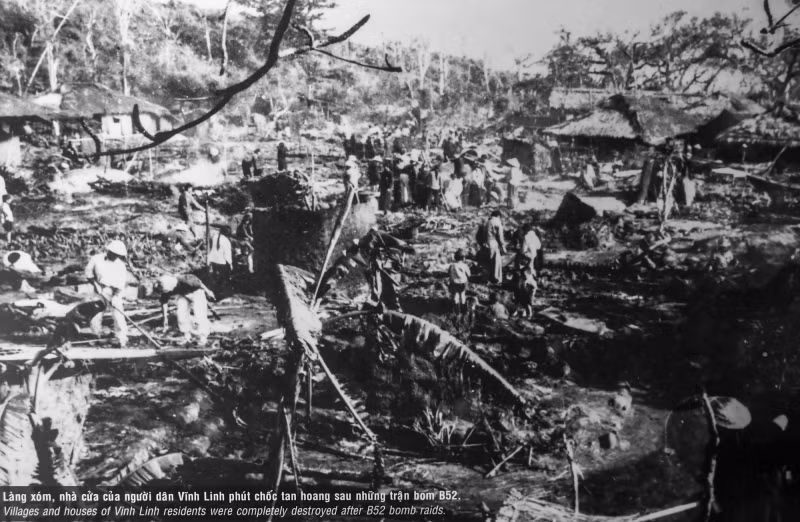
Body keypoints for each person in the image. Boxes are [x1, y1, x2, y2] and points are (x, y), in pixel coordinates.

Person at [85, 240, 129, 347]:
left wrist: (115, 296)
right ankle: (97, 336)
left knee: (118, 315)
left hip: (114, 291)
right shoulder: (96, 259)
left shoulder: (120, 265)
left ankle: (121, 338)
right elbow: (88, 273)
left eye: (117, 255)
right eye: (114, 254)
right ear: (108, 251)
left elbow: (121, 283)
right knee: (96, 315)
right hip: (99, 289)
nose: (115, 257)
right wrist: (95, 284)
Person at [157, 273, 215, 346]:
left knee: (200, 315)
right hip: (183, 293)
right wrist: (165, 318)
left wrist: (208, 292)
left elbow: (200, 284)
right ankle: (187, 336)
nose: (168, 292)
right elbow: (164, 302)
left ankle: (203, 338)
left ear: (173, 285)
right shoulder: (165, 286)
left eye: (168, 291)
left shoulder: (187, 281)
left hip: (196, 291)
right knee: (181, 314)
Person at [477, 210, 506, 284]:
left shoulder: (485, 222)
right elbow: (500, 237)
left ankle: (485, 279)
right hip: (492, 243)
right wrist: (503, 247)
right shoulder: (497, 222)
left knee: (486, 262)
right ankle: (495, 279)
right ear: (498, 216)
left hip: (484, 244)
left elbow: (478, 235)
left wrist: (481, 244)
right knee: (496, 262)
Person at [208, 226, 233, 294]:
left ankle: (215, 291)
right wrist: (230, 264)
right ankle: (221, 293)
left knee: (215, 277)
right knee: (223, 278)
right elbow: (227, 254)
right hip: (221, 262)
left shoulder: (215, 237)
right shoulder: (226, 241)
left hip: (213, 260)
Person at [448, 249, 471, 316]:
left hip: (454, 283)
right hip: (463, 283)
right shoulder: (465, 265)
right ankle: (463, 310)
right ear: (463, 258)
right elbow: (469, 275)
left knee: (456, 296)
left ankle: (456, 311)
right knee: (462, 295)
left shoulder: (452, 265)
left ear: (455, 257)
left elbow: (449, 273)